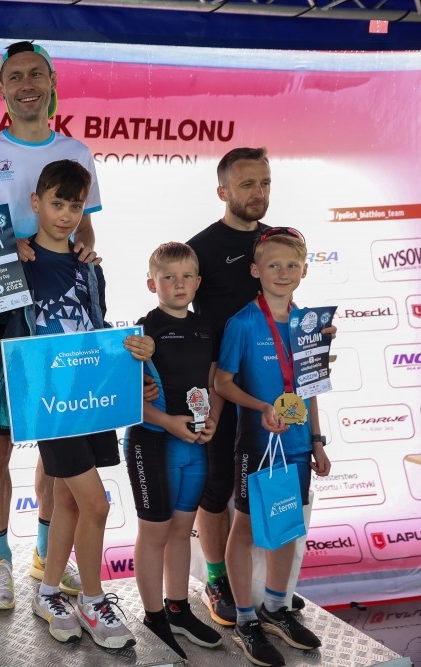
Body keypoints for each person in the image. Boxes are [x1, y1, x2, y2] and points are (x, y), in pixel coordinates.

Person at [0, 161, 151, 649]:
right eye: (57, 203)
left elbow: (96, 329)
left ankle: (49, 592)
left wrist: (136, 356)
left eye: (76, 205)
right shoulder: (16, 261)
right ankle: (92, 600)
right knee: (96, 503)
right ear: (35, 203)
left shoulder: (90, 268)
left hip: (90, 400)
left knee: (71, 500)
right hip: (47, 404)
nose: (67, 214)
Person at [0, 41, 104, 607]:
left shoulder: (76, 150)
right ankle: (0, 563)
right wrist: (4, 247)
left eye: (36, 74)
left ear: (51, 81)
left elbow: (85, 229)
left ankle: (46, 554)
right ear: (1, 88)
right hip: (1, 316)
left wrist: (83, 254)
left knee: (54, 449)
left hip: (58, 314)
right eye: (15, 76)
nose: (26, 85)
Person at [213, 228, 331, 667]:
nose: (283, 272)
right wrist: (262, 406)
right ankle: (246, 618)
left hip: (297, 446)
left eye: (292, 265)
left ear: (304, 270)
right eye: (274, 265)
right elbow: (222, 382)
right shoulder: (243, 323)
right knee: (244, 529)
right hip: (257, 445)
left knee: (288, 526)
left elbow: (311, 386)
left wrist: (317, 441)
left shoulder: (309, 325)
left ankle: (276, 608)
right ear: (255, 270)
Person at [125, 242, 223, 661]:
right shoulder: (142, 333)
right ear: (153, 284)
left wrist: (212, 420)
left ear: (198, 283)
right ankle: (154, 616)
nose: (179, 284)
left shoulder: (206, 328)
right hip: (154, 443)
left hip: (195, 445)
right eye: (169, 277)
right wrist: (167, 422)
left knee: (183, 531)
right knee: (155, 533)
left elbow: (214, 383)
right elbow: (126, 398)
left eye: (186, 277)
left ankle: (178, 608)